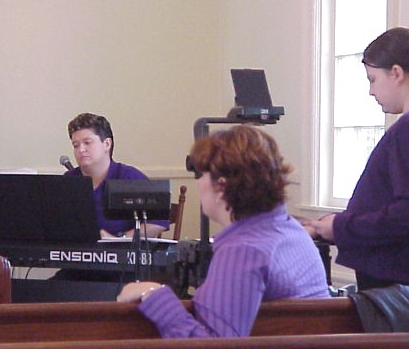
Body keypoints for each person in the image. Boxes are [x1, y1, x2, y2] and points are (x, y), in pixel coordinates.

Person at [117, 125, 330, 338]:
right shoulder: (292, 230)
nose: (199, 182)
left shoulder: (243, 249)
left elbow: (213, 344)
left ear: (221, 186)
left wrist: (154, 294)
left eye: (201, 174)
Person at [306, 27, 409, 291]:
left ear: (396, 73)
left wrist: (341, 227)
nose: (371, 91)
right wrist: (339, 224)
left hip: (401, 282)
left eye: (372, 79)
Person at [63, 112, 169, 239]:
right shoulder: (68, 180)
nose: (81, 150)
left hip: (120, 249)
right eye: (76, 145)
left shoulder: (129, 176)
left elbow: (158, 222)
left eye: (87, 142)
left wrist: (121, 239)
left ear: (107, 144)